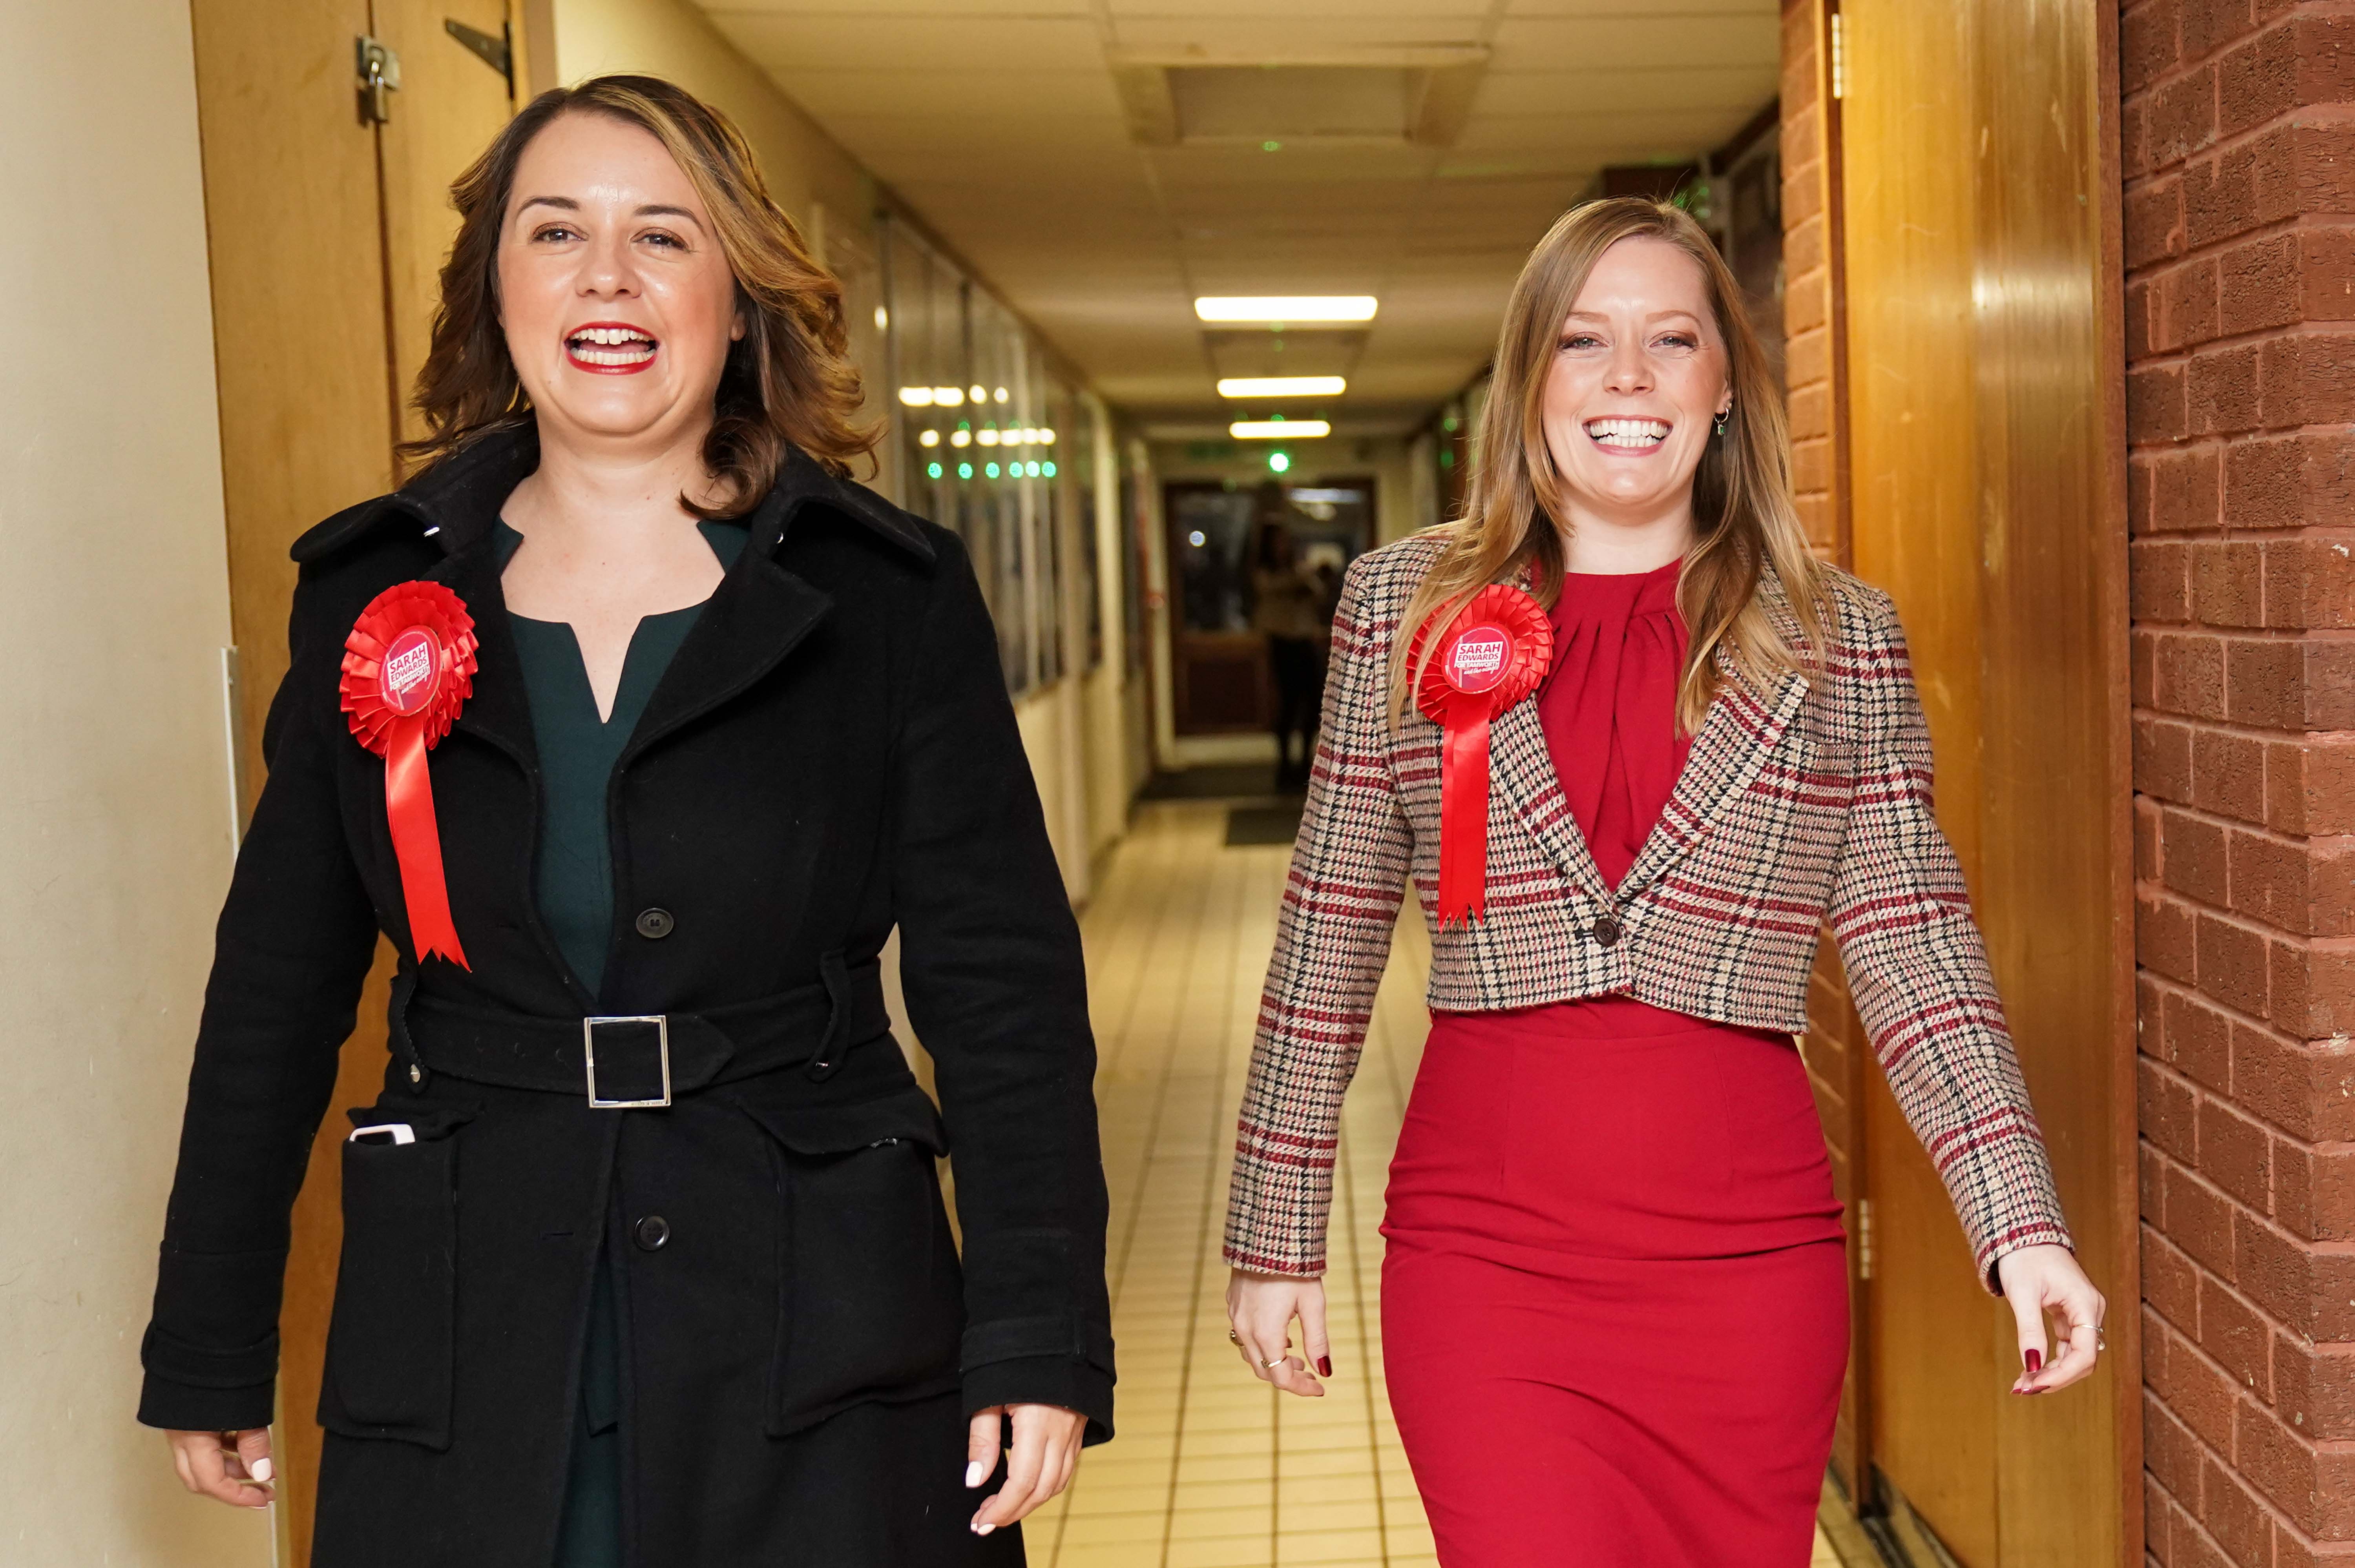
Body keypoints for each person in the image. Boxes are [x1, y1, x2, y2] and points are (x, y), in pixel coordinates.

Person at [139, 76, 1111, 1566]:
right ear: (499, 293)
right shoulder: (369, 596)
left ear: (737, 302)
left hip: (814, 1334)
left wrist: (1037, 1329)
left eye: (662, 235)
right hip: (472, 1329)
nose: (606, 276)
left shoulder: (884, 598)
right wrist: (208, 1328)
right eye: (555, 233)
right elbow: (274, 988)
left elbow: (1004, 994)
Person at [1219, 198, 2104, 1566]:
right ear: (1530, 384)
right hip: (1488, 1268)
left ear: (1726, 389)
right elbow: (1327, 935)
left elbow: (1914, 946)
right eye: (1584, 341)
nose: (1628, 378)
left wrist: (2020, 1221)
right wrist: (1275, 1229)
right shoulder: (1407, 608)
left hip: (1748, 1278)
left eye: (1672, 340)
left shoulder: (1835, 636)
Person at [1248, 495, 1327, 791]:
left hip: (1304, 640)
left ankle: (1306, 761)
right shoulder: (1265, 573)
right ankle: (1284, 765)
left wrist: (1304, 578)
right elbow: (1270, 589)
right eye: (1277, 541)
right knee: (1289, 703)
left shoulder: (1298, 568)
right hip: (1282, 643)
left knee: (1313, 702)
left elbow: (1317, 590)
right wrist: (1298, 582)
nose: (1282, 546)